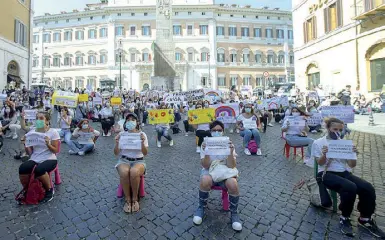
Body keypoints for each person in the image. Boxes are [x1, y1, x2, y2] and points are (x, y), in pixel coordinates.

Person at [312, 118, 385, 238]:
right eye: (335, 129)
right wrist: (324, 154)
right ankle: (344, 216)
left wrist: (353, 154)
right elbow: (320, 163)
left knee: (367, 187)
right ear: (328, 128)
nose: (338, 132)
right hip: (326, 173)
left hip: (343, 172)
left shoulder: (345, 143)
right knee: (349, 187)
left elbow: (352, 165)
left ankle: (365, 218)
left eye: (340, 130)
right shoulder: (319, 142)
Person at [192, 120, 242, 231]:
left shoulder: (229, 143)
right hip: (210, 170)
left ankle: (234, 213)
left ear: (223, 131)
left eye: (219, 130)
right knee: (205, 180)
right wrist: (207, 152)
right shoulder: (205, 144)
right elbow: (205, 166)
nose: (217, 132)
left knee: (233, 184)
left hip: (225, 170)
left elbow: (231, 165)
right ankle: (201, 208)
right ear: (210, 132)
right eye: (214, 130)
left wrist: (230, 151)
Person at [18, 112, 60, 203]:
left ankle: (49, 191)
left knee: (39, 170)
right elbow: (30, 152)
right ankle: (27, 189)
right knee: (23, 168)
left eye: (41, 118)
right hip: (35, 157)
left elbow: (55, 150)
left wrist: (48, 144)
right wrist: (25, 143)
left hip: (50, 158)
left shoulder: (53, 132)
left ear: (47, 120)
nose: (38, 120)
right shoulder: (33, 131)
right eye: (37, 118)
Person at [114, 113, 148, 213]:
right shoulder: (121, 134)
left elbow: (145, 153)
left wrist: (142, 143)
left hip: (139, 160)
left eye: (133, 119)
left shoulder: (142, 135)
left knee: (134, 171)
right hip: (124, 160)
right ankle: (127, 200)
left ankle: (135, 199)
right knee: (124, 172)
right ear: (125, 122)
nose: (130, 121)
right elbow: (116, 153)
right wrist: (116, 143)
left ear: (137, 122)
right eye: (128, 120)